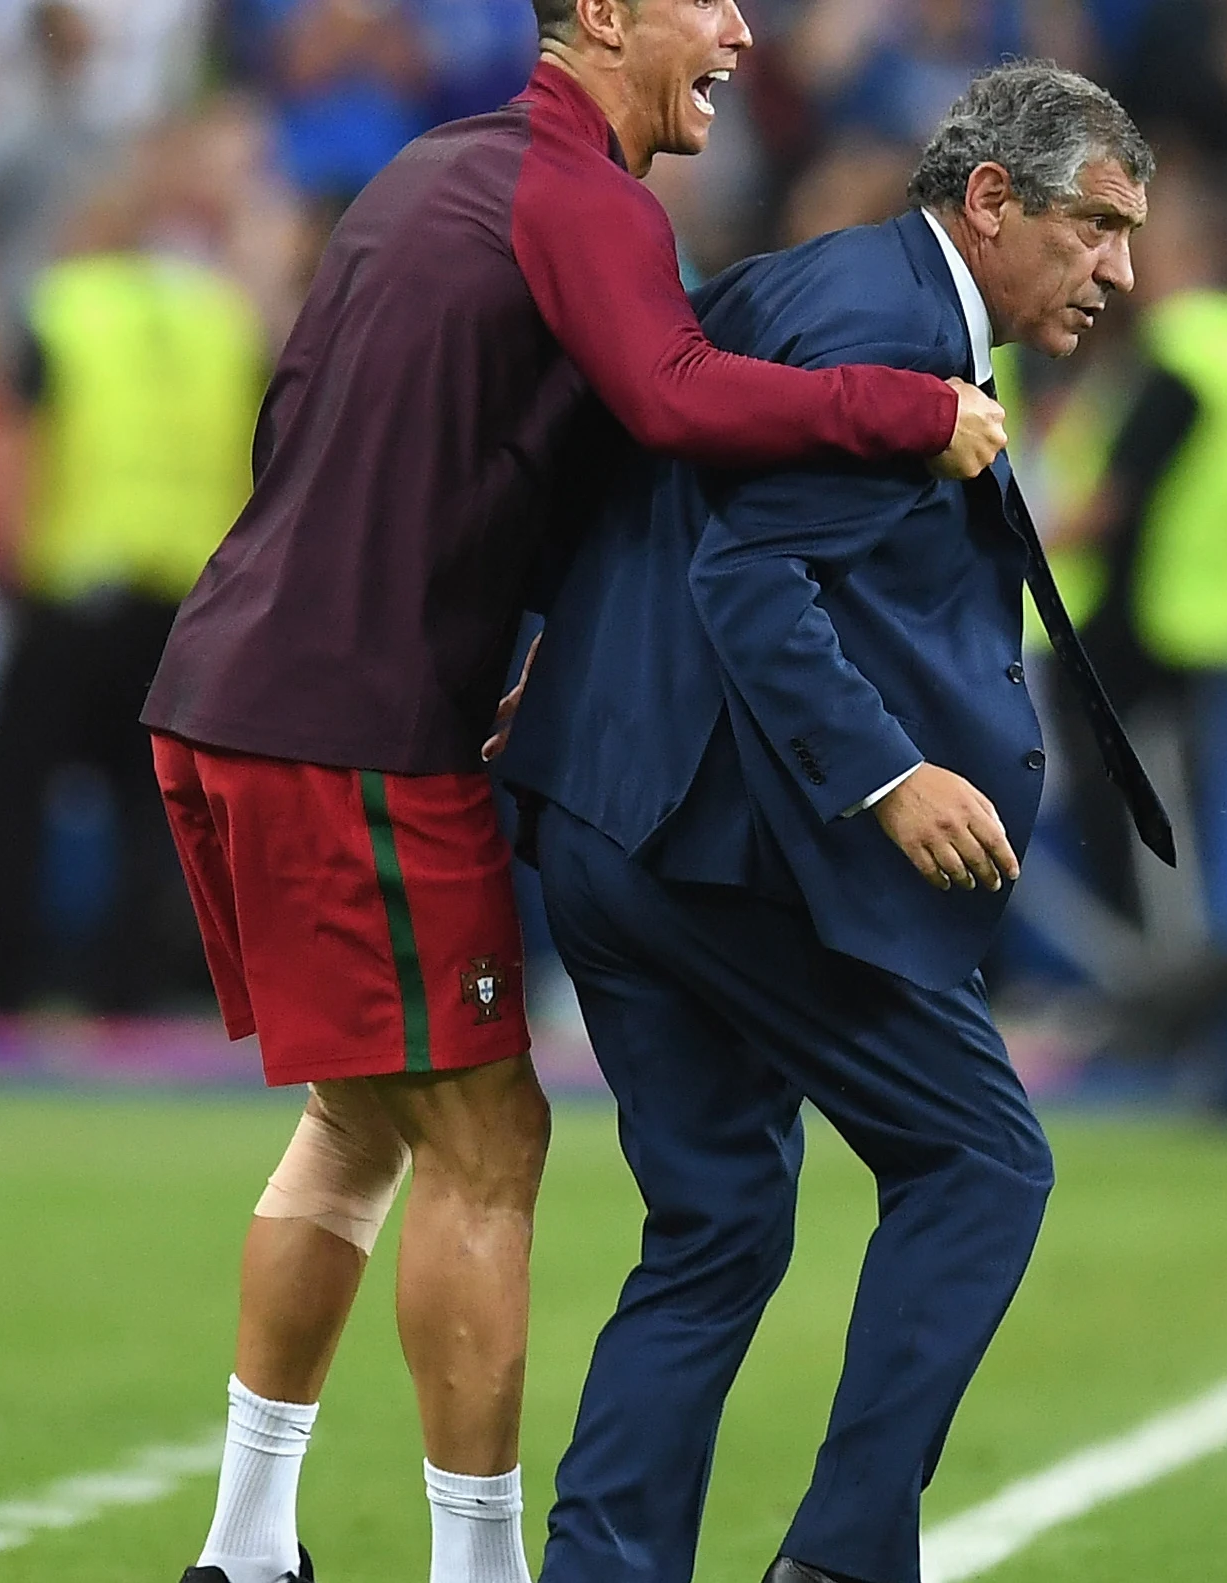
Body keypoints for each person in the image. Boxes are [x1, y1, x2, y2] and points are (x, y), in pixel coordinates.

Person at [143, 0, 1011, 1578]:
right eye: (708, 0)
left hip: (234, 686)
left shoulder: (433, 173)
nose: (741, 31)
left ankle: (249, 1543)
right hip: (359, 728)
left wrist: (538, 629)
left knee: (359, 1116)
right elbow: (674, 396)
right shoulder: (577, 191)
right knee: (491, 1137)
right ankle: (474, 1566)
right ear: (602, 13)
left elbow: (355, 431)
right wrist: (911, 409)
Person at [506, 61, 1170, 1583]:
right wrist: (889, 773)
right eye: (1096, 227)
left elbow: (629, 470)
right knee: (980, 1159)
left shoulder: (806, 285)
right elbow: (748, 579)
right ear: (991, 201)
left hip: (613, 821)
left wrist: (562, 663)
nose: (1118, 270)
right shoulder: (891, 328)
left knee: (717, 1225)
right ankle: (847, 1560)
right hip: (730, 846)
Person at [0, 157, 267, 1012]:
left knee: (17, 783)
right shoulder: (223, 318)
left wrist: (8, 559)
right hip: (189, 594)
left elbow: (18, 438)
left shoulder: (63, 308)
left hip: (78, 580)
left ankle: (2, 983)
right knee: (156, 808)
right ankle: (128, 986)